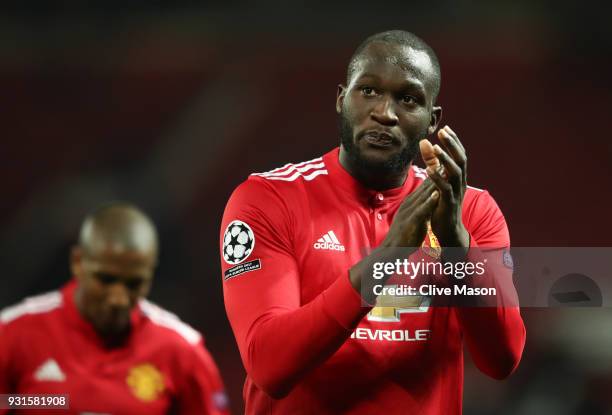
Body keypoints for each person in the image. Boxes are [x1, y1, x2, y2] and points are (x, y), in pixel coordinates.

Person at [220, 30, 526, 414]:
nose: (384, 112)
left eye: (408, 99)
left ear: (432, 120)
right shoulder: (268, 200)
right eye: (368, 91)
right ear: (340, 99)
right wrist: (388, 257)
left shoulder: (472, 211)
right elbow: (270, 366)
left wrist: (456, 247)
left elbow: (502, 360)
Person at [0, 203, 229, 415]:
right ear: (78, 262)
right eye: (105, 279)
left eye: (134, 284)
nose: (118, 299)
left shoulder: (181, 352)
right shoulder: (12, 335)